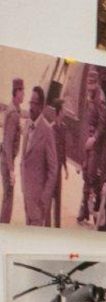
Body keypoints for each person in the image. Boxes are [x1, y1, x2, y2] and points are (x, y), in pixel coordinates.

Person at [20, 86, 57, 226]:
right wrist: (23, 186)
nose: (31, 107)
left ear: (41, 106)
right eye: (30, 102)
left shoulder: (47, 131)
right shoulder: (27, 124)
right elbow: (24, 159)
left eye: (34, 103)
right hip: (26, 195)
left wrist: (44, 198)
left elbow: (53, 169)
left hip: (38, 202)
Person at [77, 69, 106, 226]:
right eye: (87, 84)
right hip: (88, 140)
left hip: (95, 144)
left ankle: (93, 208)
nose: (88, 88)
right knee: (85, 172)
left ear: (96, 83)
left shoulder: (100, 98)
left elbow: (102, 124)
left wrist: (94, 139)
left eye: (91, 84)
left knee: (91, 175)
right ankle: (86, 208)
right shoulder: (90, 95)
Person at [0, 77, 24, 224]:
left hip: (6, 159)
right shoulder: (13, 114)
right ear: (16, 92)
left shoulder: (14, 110)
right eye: (22, 90)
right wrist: (11, 170)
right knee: (8, 199)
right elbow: (8, 144)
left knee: (7, 197)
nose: (24, 94)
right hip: (7, 161)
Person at [49, 98, 69, 228]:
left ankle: (57, 228)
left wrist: (66, 168)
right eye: (64, 108)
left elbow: (63, 149)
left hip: (59, 171)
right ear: (59, 111)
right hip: (51, 171)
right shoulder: (50, 129)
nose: (66, 111)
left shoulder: (64, 128)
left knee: (58, 200)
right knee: (48, 200)